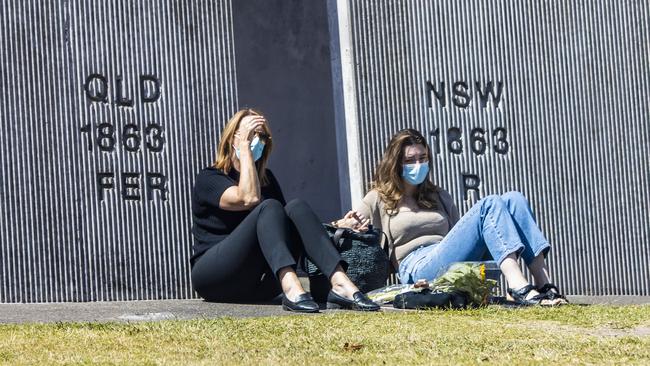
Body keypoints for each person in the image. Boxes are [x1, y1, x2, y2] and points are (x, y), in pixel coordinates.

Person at [334, 128, 568, 306]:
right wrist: (345, 223)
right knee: (489, 204)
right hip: (417, 266)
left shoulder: (439, 196)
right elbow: (343, 226)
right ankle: (518, 286)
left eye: (423, 158)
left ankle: (543, 282)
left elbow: (460, 237)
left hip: (448, 256)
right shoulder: (379, 197)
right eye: (410, 160)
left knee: (514, 198)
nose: (418, 164)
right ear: (396, 164)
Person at [190, 109, 379, 312]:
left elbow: (283, 230)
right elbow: (248, 198)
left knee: (296, 207)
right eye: (249, 133)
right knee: (269, 206)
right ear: (232, 138)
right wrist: (244, 147)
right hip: (215, 278)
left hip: (259, 284)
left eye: (260, 135)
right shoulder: (210, 178)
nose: (255, 140)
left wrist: (337, 226)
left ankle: (340, 283)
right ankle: (291, 285)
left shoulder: (268, 180)